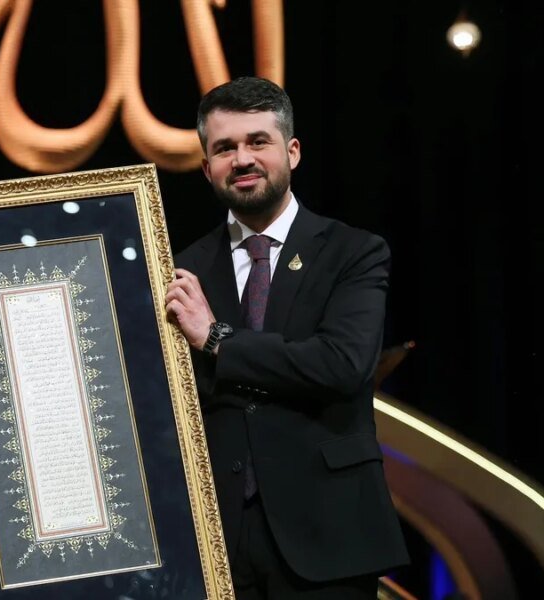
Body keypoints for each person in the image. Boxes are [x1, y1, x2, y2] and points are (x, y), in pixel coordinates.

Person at [165, 76, 409, 598]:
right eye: (224, 148)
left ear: (292, 152)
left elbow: (341, 364)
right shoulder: (181, 272)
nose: (242, 159)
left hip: (331, 535)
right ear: (206, 167)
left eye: (258, 141)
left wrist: (218, 340)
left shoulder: (353, 252)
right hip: (219, 543)